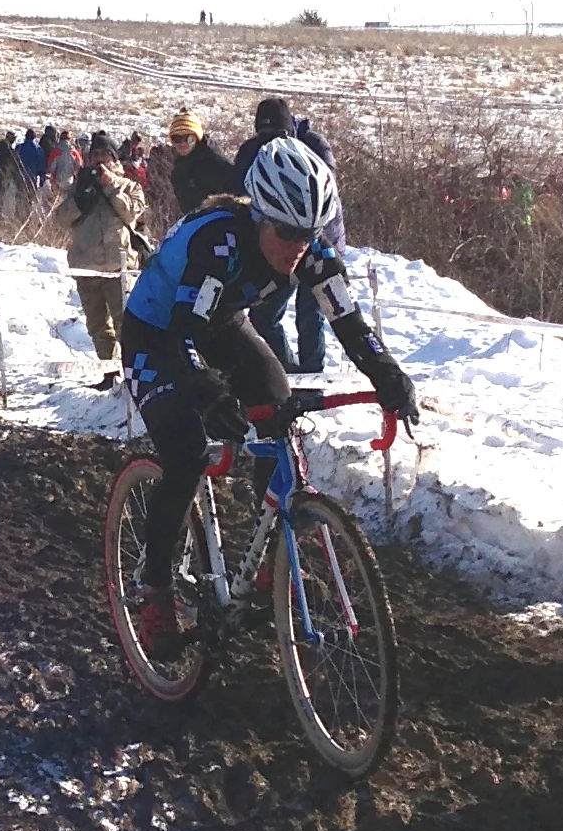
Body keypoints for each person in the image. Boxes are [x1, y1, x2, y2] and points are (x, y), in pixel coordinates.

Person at [119, 137, 418, 661]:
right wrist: (208, 391)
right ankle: (154, 584)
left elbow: (347, 321)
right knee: (186, 452)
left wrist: (387, 372)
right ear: (260, 217)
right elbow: (185, 337)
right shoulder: (219, 242)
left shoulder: (310, 253)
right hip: (159, 334)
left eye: (309, 234)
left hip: (220, 325)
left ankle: (269, 557)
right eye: (287, 234)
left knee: (276, 402)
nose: (297, 247)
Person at [236, 95, 333, 375]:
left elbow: (324, 196)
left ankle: (313, 375)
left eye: (277, 134)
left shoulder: (313, 148)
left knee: (311, 311)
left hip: (318, 236)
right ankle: (287, 370)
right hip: (274, 242)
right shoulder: (251, 152)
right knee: (265, 316)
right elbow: (237, 192)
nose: (270, 141)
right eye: (264, 134)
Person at [57, 132, 146, 382]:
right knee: (98, 326)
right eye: (95, 155)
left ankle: (132, 375)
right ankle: (108, 373)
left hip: (118, 267)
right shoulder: (79, 184)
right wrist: (81, 199)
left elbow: (131, 214)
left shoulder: (129, 186)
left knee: (124, 326)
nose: (99, 160)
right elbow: (61, 219)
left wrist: (109, 186)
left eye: (105, 155)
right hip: (86, 266)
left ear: (114, 158)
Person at [163, 107, 235, 219]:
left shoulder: (215, 162)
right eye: (177, 138)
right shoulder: (179, 168)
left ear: (197, 138)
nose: (183, 143)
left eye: (189, 138)